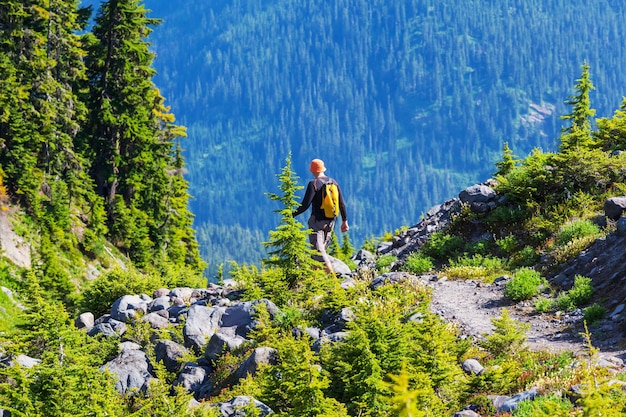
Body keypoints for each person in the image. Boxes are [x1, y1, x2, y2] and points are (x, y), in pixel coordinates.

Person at [293, 158, 349, 274]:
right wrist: (344, 221)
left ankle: (334, 282)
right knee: (318, 251)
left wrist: (291, 214)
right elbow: (341, 203)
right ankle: (315, 281)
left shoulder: (313, 184)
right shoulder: (333, 182)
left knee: (319, 252)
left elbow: (305, 205)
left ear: (312, 170)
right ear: (323, 168)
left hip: (317, 223)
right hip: (331, 222)